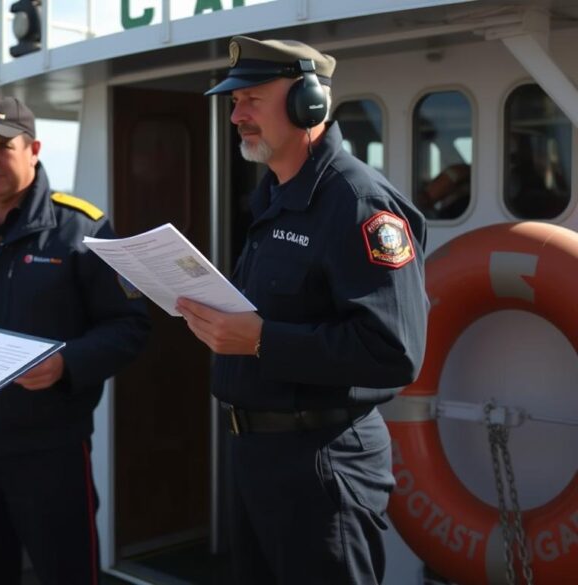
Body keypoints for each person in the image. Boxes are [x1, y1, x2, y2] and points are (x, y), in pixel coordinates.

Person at [177, 37, 428, 584]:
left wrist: (261, 340)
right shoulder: (275, 197)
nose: (236, 114)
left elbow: (394, 351)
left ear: (307, 103)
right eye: (233, 101)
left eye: (250, 99)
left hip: (323, 467)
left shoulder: (359, 203)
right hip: (259, 459)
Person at [0, 96, 150, 584]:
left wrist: (67, 364)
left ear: (33, 148)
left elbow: (130, 326)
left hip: (50, 451)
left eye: (3, 147)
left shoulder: (82, 230)